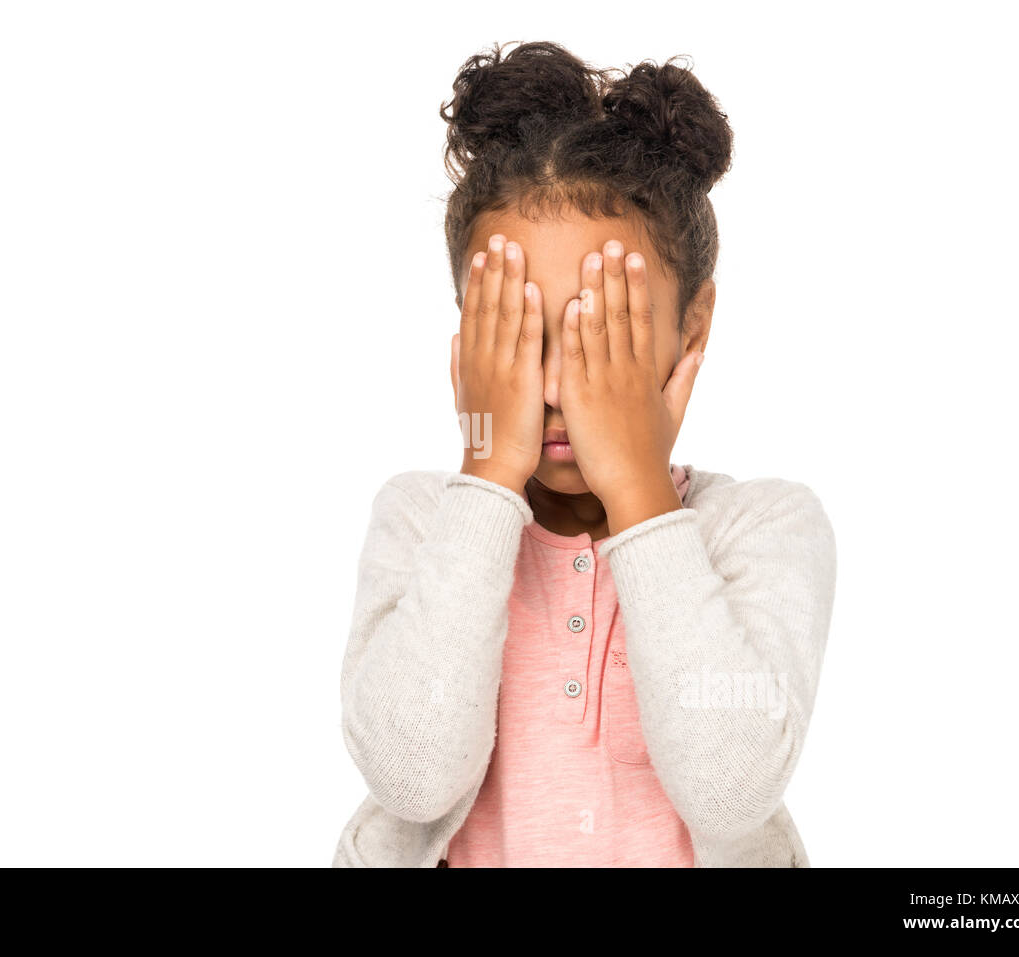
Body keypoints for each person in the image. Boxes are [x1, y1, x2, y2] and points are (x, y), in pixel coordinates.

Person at [333, 40, 837, 867]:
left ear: (691, 331)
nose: (560, 385)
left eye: (602, 334)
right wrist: (489, 464)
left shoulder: (765, 528)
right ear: (469, 341)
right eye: (520, 334)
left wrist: (638, 485)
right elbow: (413, 774)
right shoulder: (426, 519)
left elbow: (730, 787)